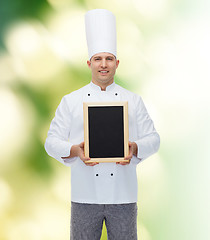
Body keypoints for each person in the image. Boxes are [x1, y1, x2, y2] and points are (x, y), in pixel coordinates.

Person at [45, 9, 160, 240]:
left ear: (117, 63)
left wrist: (134, 147)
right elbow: (51, 142)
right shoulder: (71, 101)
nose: (103, 64)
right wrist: (75, 150)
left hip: (124, 196)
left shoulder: (133, 100)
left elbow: (154, 139)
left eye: (109, 58)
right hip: (84, 195)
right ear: (89, 63)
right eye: (98, 59)